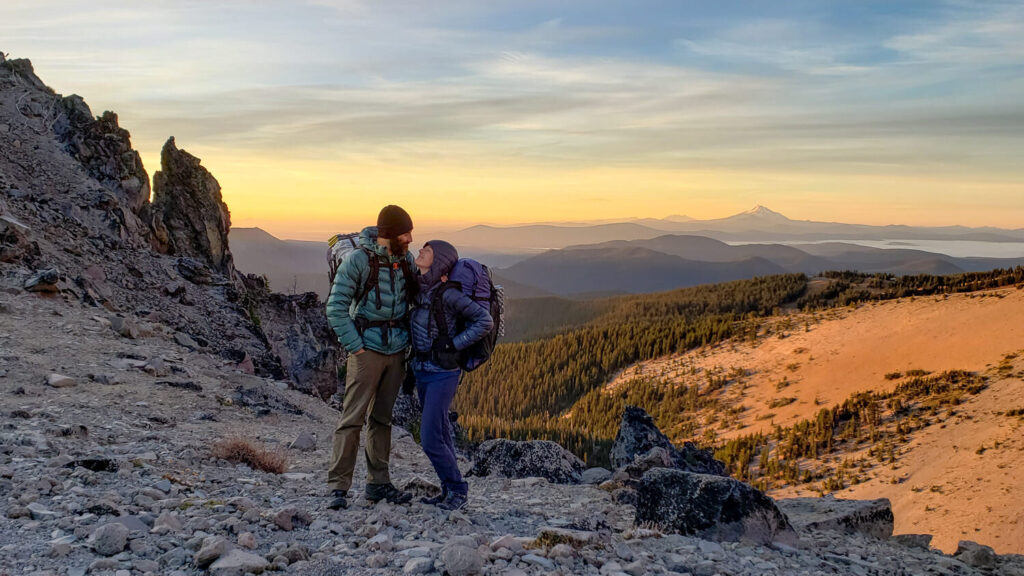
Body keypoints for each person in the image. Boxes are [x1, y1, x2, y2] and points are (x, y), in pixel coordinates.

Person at [325, 205, 419, 510]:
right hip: (367, 351)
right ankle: (338, 487)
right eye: (405, 233)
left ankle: (378, 485)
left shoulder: (406, 261)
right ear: (388, 234)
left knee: (382, 419)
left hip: (396, 351)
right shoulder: (358, 261)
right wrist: (357, 347)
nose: (410, 239)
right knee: (352, 419)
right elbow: (336, 307)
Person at [410, 240, 493, 510]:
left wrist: (455, 344)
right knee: (442, 431)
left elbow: (484, 321)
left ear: (440, 260)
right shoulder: (421, 289)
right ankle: (449, 489)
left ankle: (457, 488)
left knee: (431, 438)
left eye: (428, 250)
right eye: (422, 248)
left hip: (443, 372)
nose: (421, 251)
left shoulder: (448, 294)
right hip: (423, 370)